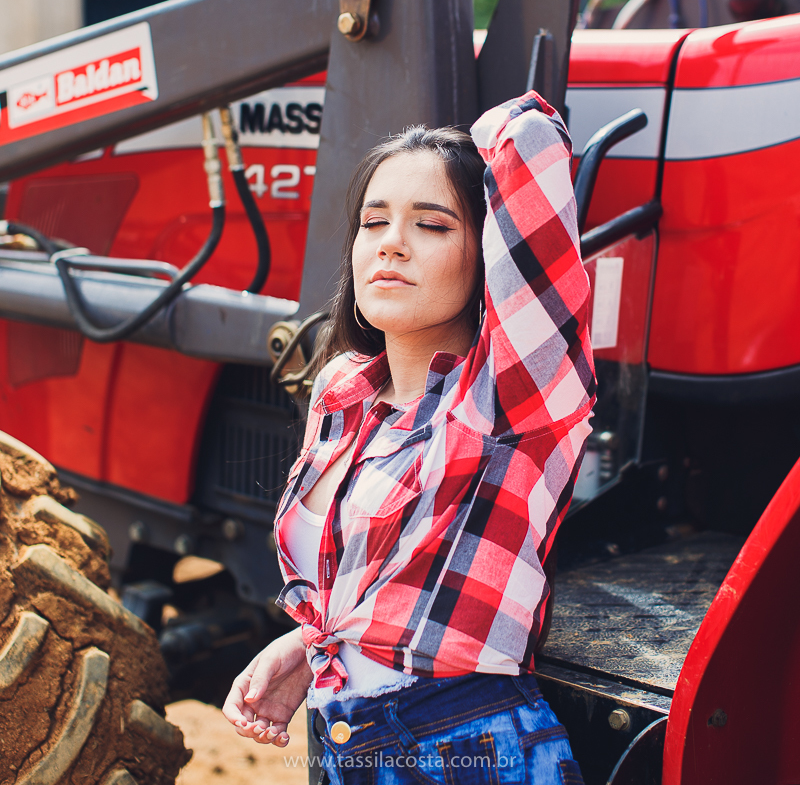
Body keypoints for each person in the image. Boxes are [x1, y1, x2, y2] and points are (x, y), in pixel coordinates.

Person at [223, 88, 596, 783]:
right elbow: (378, 581)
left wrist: (452, 141)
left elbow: (534, 141)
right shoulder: (341, 392)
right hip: (345, 750)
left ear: (484, 251)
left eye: (432, 225)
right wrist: (308, 648)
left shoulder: (513, 397)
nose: (391, 242)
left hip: (470, 752)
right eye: (374, 221)